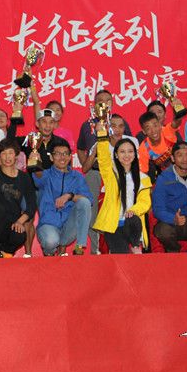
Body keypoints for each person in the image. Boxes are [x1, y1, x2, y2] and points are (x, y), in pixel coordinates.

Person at [75, 89, 132, 254]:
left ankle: (116, 247)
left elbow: (129, 145)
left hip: (116, 174)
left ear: (112, 104)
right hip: (94, 172)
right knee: (92, 211)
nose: (104, 104)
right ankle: (96, 249)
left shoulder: (119, 123)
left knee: (116, 209)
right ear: (94, 105)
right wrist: (87, 162)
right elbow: (80, 148)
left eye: (108, 100)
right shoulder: (87, 125)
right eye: (100, 100)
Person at [92, 122, 151, 254]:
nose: (126, 155)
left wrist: (134, 210)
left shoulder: (144, 178)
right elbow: (103, 159)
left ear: (135, 154)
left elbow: (145, 202)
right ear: (116, 155)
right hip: (114, 226)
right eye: (122, 152)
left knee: (133, 218)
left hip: (132, 224)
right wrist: (102, 135)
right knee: (121, 259)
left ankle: (136, 245)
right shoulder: (111, 175)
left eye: (130, 151)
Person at [33, 140, 93, 256]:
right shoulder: (46, 175)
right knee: (51, 241)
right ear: (51, 157)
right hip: (49, 224)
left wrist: (69, 196)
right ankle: (49, 253)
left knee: (84, 202)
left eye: (65, 153)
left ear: (70, 157)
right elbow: (38, 176)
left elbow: (88, 200)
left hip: (69, 226)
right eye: (58, 154)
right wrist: (35, 162)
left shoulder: (77, 177)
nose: (62, 157)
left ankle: (79, 247)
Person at [137, 107, 184, 183]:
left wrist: (178, 108)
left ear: (159, 125)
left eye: (155, 125)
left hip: (184, 169)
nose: (153, 131)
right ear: (144, 131)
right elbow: (143, 174)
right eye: (148, 128)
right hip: (167, 179)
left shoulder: (166, 131)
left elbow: (176, 122)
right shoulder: (143, 149)